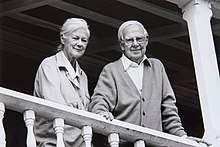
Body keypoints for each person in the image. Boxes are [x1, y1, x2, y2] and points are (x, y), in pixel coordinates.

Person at [89, 20, 187, 146]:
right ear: (122, 44)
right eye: (130, 40)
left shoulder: (157, 67)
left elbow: (169, 110)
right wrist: (100, 112)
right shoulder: (111, 70)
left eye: (139, 39)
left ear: (146, 41)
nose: (135, 44)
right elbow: (100, 100)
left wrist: (182, 136)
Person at [33, 18, 91, 147]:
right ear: (63, 39)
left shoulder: (83, 76)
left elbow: (88, 112)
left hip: (80, 143)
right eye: (75, 38)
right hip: (53, 141)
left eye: (84, 40)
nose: (80, 44)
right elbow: (56, 107)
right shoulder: (48, 65)